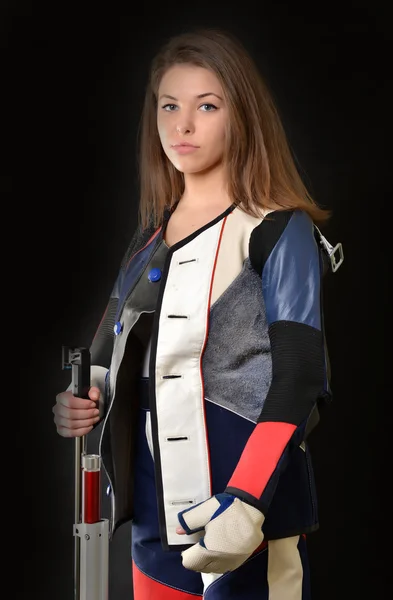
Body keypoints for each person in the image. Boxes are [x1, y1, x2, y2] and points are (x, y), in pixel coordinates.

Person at [53, 27, 343, 600]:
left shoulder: (278, 229)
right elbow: (107, 360)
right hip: (156, 520)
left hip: (248, 517)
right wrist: (80, 403)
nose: (182, 125)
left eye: (206, 106)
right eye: (169, 105)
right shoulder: (146, 240)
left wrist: (248, 501)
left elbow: (302, 376)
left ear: (243, 117)